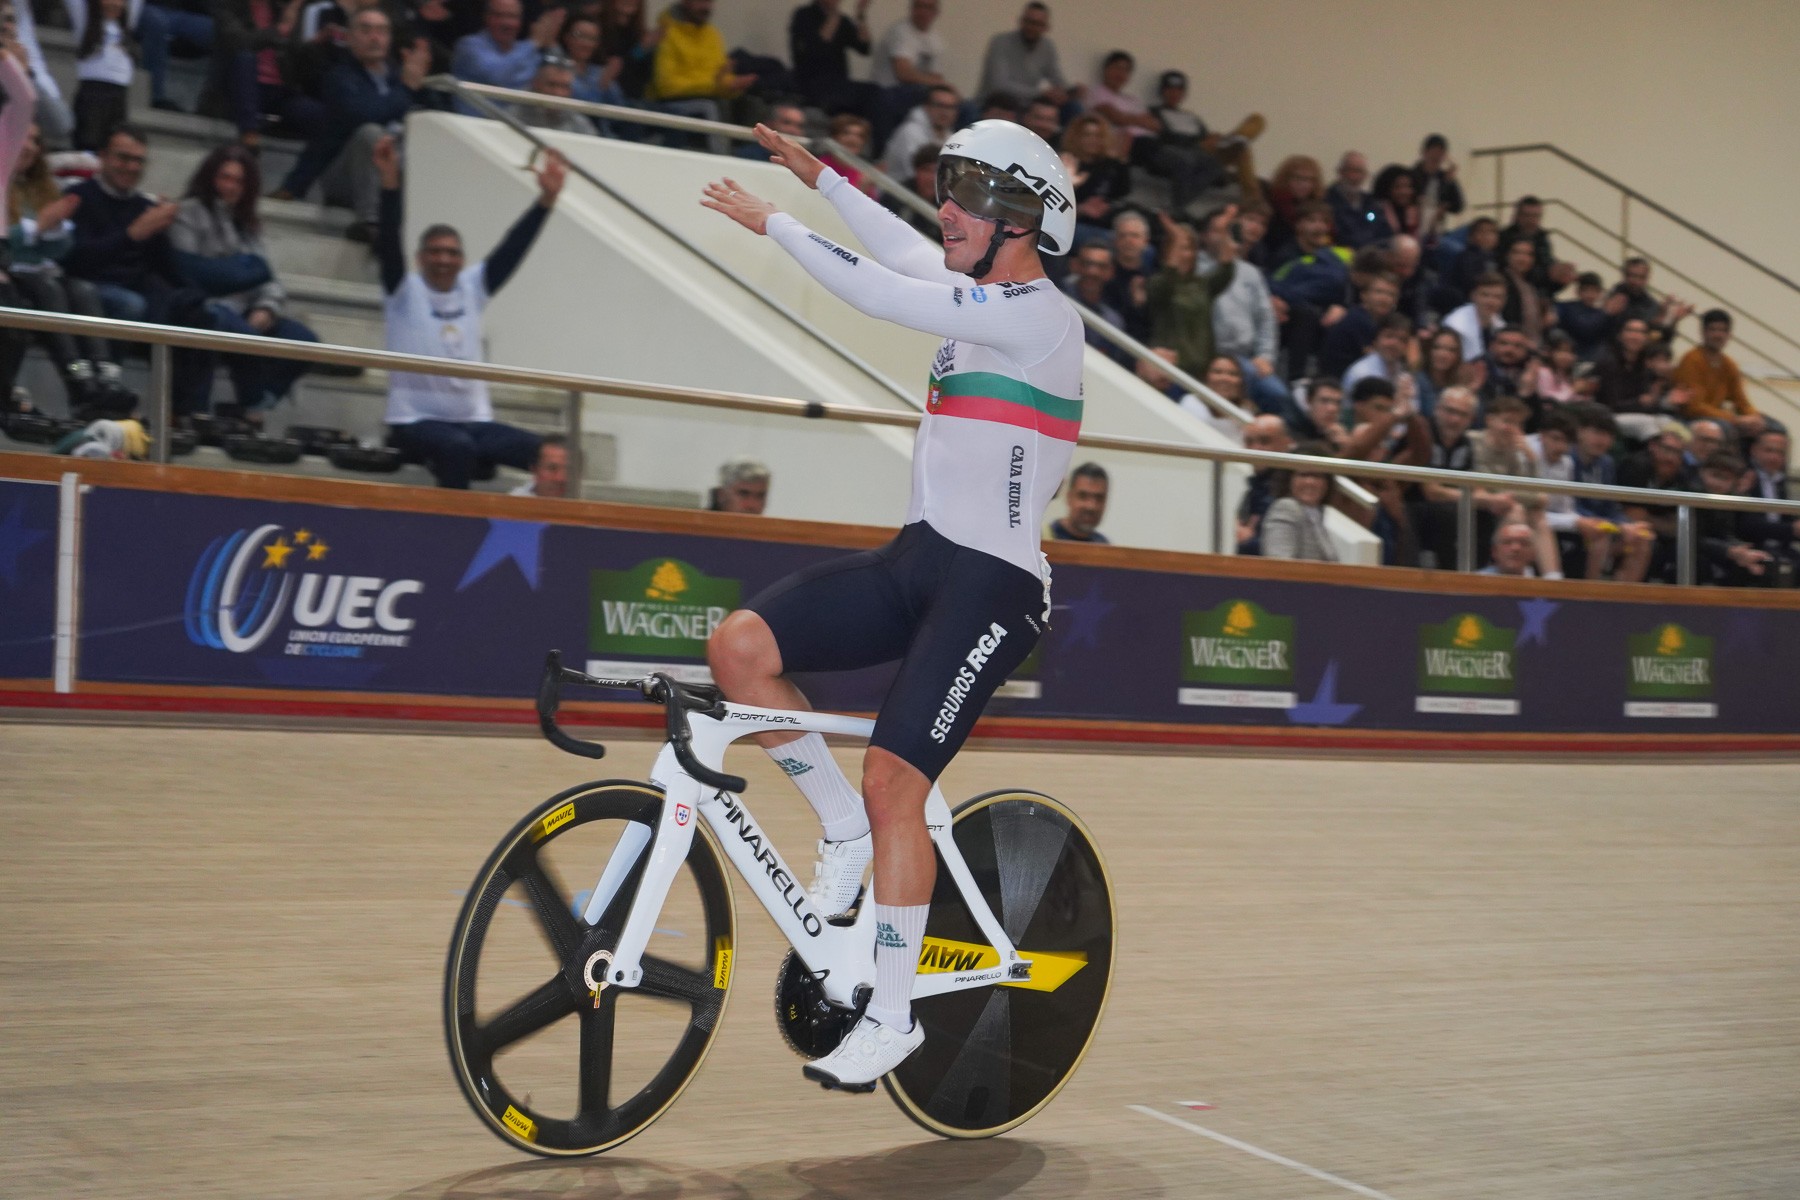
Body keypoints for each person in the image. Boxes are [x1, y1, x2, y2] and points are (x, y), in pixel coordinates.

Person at [701, 117, 1082, 1088]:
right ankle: (841, 828)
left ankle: (896, 1015)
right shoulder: (979, 297)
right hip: (920, 558)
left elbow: (882, 286)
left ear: (1016, 216)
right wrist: (825, 174)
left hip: (994, 584)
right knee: (741, 649)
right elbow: (898, 247)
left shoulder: (1040, 318)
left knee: (894, 780)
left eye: (963, 195)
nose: (945, 208)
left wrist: (777, 222)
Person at [374, 135, 566, 487]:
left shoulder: (472, 287)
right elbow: (389, 237)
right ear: (420, 258)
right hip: (414, 422)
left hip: (473, 423)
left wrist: (546, 201)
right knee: (458, 449)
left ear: (462, 260)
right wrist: (390, 183)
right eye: (435, 252)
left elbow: (513, 246)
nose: (444, 259)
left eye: (452, 253)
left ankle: (548, 531)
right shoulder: (403, 291)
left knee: (551, 455)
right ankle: (457, 535)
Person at [171, 143, 320, 417]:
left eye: (238, 181)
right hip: (206, 310)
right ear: (210, 177)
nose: (230, 186)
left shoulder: (248, 223)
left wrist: (266, 308)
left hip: (246, 312)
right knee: (238, 332)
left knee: (304, 341)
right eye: (224, 177)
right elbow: (192, 273)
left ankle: (251, 405)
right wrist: (238, 270)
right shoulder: (187, 212)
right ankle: (248, 405)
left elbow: (268, 278)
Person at [6, 118, 133, 413]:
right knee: (49, 288)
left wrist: (50, 231)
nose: (30, 147)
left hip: (40, 272)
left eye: (36, 141)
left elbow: (62, 248)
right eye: (24, 138)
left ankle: (104, 378)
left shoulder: (41, 187)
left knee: (84, 290)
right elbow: (6, 246)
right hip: (13, 276)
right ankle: (78, 381)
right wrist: (38, 228)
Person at [273, 6, 426, 238]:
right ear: (350, 38)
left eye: (382, 31)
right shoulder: (339, 77)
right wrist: (407, 89)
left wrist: (419, 88)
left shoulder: (400, 75)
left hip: (394, 172)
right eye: (366, 30)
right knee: (371, 133)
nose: (375, 37)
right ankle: (371, 222)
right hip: (344, 175)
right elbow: (363, 113)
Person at [63, 126, 186, 324]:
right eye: (123, 158)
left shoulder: (144, 206)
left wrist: (164, 229)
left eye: (138, 161)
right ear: (103, 156)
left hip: (136, 284)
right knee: (131, 304)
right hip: (91, 283)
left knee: (183, 302)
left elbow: (165, 267)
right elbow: (76, 259)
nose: (132, 167)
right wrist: (132, 234)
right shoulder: (78, 196)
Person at [645, 0, 756, 145]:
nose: (705, 7)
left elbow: (720, 76)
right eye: (700, 2)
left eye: (709, 2)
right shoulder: (666, 33)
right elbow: (666, 86)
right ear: (686, 3)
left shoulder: (712, 34)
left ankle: (746, 159)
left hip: (710, 96)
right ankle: (721, 159)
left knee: (750, 104)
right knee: (709, 107)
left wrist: (731, 84)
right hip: (671, 102)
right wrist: (716, 86)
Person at [1148, 207, 1236, 381]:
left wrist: (1225, 229)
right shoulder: (1157, 282)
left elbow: (1227, 269)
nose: (1184, 254)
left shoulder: (1202, 284)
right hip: (1170, 372)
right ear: (1167, 251)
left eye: (1188, 248)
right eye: (1178, 247)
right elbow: (1169, 278)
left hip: (1203, 370)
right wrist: (1177, 238)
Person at [1268, 200, 1349, 382]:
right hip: (1289, 318)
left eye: (1324, 222)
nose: (1319, 227)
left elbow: (1342, 288)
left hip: (1322, 317)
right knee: (1307, 314)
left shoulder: (1333, 257)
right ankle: (1297, 379)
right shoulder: (1285, 255)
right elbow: (1277, 289)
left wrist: (1341, 306)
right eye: (1312, 221)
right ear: (1299, 225)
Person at [451, 0, 564, 106]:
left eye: (513, 17)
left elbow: (560, 78)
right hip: (471, 123)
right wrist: (534, 42)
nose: (507, 23)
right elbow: (498, 75)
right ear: (486, 17)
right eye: (499, 15)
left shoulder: (525, 49)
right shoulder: (468, 45)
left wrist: (551, 43)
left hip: (519, 122)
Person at [1674, 309, 1765, 437]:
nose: (1718, 335)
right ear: (1703, 332)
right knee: (1725, 428)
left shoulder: (1729, 364)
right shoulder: (1691, 360)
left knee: (1772, 427)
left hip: (1719, 417)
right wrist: (1735, 420)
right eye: (1713, 330)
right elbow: (1694, 407)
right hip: (1691, 419)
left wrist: (1755, 417)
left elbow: (1741, 400)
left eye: (1723, 330)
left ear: (1729, 335)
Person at [64, 0, 140, 150]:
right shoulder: (87, 22)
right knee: (88, 146)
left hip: (119, 96)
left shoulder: (126, 26)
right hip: (92, 96)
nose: (116, 4)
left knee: (112, 148)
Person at [976, 2, 1070, 113]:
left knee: (1072, 106)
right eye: (1029, 22)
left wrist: (1070, 91)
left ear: (1046, 27)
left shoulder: (1047, 47)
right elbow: (999, 85)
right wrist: (1041, 93)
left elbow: (1056, 78)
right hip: (995, 104)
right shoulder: (1000, 42)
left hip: (1028, 106)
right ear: (1021, 21)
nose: (1032, 27)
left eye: (1037, 24)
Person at [788, 0, 875, 118]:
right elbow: (816, 48)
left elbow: (864, 47)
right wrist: (833, 15)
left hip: (839, 82)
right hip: (812, 82)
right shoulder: (804, 15)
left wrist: (860, 14)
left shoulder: (842, 21)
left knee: (874, 93)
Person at [1058, 112, 1129, 246]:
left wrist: (1108, 207)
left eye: (1098, 136)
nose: (1093, 140)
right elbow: (1052, 208)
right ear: (1075, 137)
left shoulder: (1113, 165)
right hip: (1072, 224)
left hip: (1106, 224)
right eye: (1087, 135)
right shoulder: (1065, 162)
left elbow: (1121, 196)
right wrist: (1081, 209)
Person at [1260, 443, 1339, 561]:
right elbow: (1279, 564)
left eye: (1317, 476)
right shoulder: (1286, 508)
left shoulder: (1317, 513)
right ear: (1289, 479)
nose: (1310, 482)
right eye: (1304, 475)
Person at [1060, 242, 1129, 365]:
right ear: (1074, 265)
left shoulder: (1113, 321)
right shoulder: (1055, 299)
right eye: (1087, 264)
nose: (1092, 272)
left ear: (1111, 272)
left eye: (1101, 266)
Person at [1592, 317, 1662, 439]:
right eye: (1630, 331)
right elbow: (1611, 403)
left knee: (1667, 423)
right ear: (1620, 335)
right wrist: (1639, 402)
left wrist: (1654, 399)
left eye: (1641, 332)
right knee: (1647, 425)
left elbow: (1648, 401)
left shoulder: (1641, 365)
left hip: (1633, 415)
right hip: (1606, 416)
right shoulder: (1608, 361)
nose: (1635, 336)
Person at [1234, 414, 1292, 554]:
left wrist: (1248, 542)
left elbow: (1281, 546)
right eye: (1249, 442)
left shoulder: (1291, 487)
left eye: (1265, 441)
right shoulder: (1254, 487)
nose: (1256, 448)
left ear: (1286, 443)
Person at [881, 83, 956, 177]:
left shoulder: (952, 138)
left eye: (950, 107)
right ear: (926, 107)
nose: (945, 112)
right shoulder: (910, 131)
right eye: (940, 105)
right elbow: (914, 174)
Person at [1326, 151, 1389, 249]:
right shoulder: (1327, 201)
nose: (1354, 177)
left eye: (1359, 171)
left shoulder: (1372, 203)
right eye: (1350, 170)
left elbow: (1384, 232)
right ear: (1340, 172)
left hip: (1371, 257)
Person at [1411, 133, 1462, 246]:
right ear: (1424, 152)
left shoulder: (1445, 177)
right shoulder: (1412, 175)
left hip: (1437, 230)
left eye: (1441, 153)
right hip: (1415, 227)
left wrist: (1449, 183)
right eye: (1433, 152)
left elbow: (1458, 206)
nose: (1436, 156)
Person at [1555, 271, 1614, 361]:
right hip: (1568, 356)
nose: (1590, 295)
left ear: (1600, 293)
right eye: (1586, 290)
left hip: (1591, 360)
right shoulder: (1566, 308)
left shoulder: (1602, 314)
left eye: (1594, 291)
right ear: (1578, 292)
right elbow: (1583, 328)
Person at [1048, 462, 1107, 542]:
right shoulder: (1042, 540)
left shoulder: (1104, 547)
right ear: (1069, 497)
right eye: (1083, 496)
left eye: (1099, 498)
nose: (1091, 506)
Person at [1479, 520, 1560, 578]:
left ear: (1533, 553)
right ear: (1494, 551)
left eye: (1524, 543)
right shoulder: (1474, 583)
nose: (1515, 548)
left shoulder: (1544, 589)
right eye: (1507, 542)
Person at [1371, 164, 1420, 240]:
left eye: (1408, 186)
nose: (1404, 192)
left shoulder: (1414, 211)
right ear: (1388, 189)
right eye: (1398, 187)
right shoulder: (1378, 211)